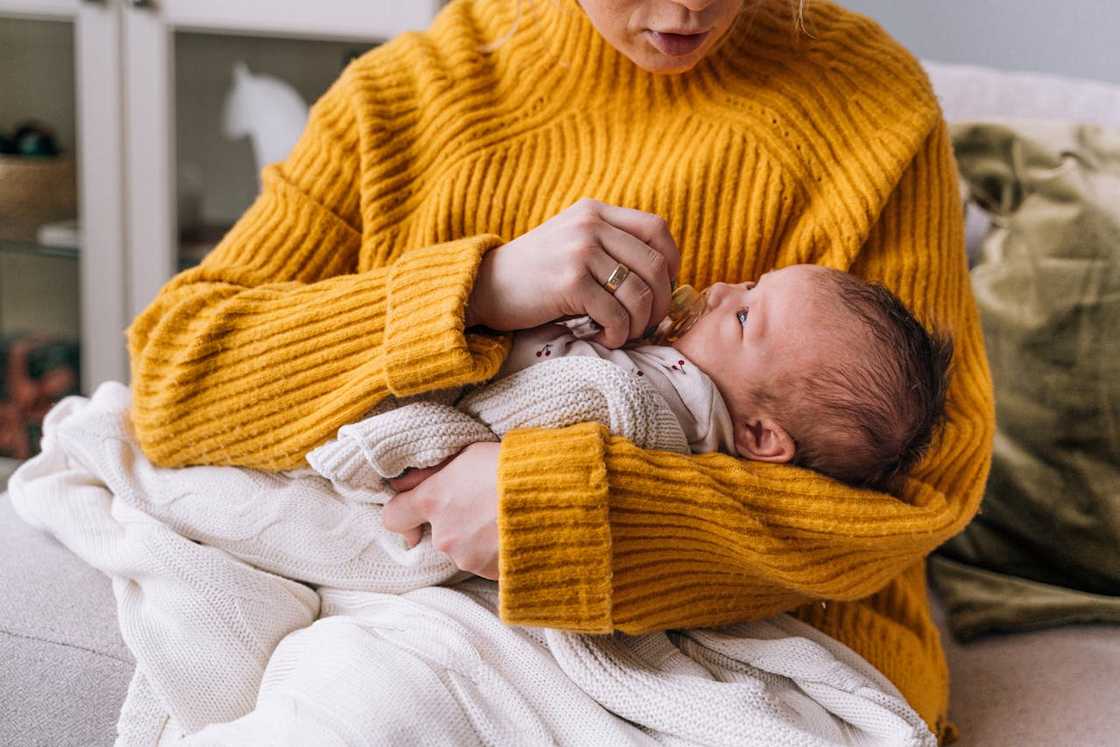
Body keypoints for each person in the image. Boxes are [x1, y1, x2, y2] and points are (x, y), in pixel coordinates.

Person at [125, 0, 996, 742]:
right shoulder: (404, 97)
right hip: (416, 615)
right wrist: (475, 291)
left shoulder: (869, 107)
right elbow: (174, 380)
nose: (686, 10)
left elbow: (917, 483)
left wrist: (563, 513)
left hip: (769, 648)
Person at [490, 264, 953, 492]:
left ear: (758, 434)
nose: (722, 291)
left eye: (745, 317)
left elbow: (540, 371)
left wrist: (547, 307)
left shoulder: (675, 403)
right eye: (751, 285)